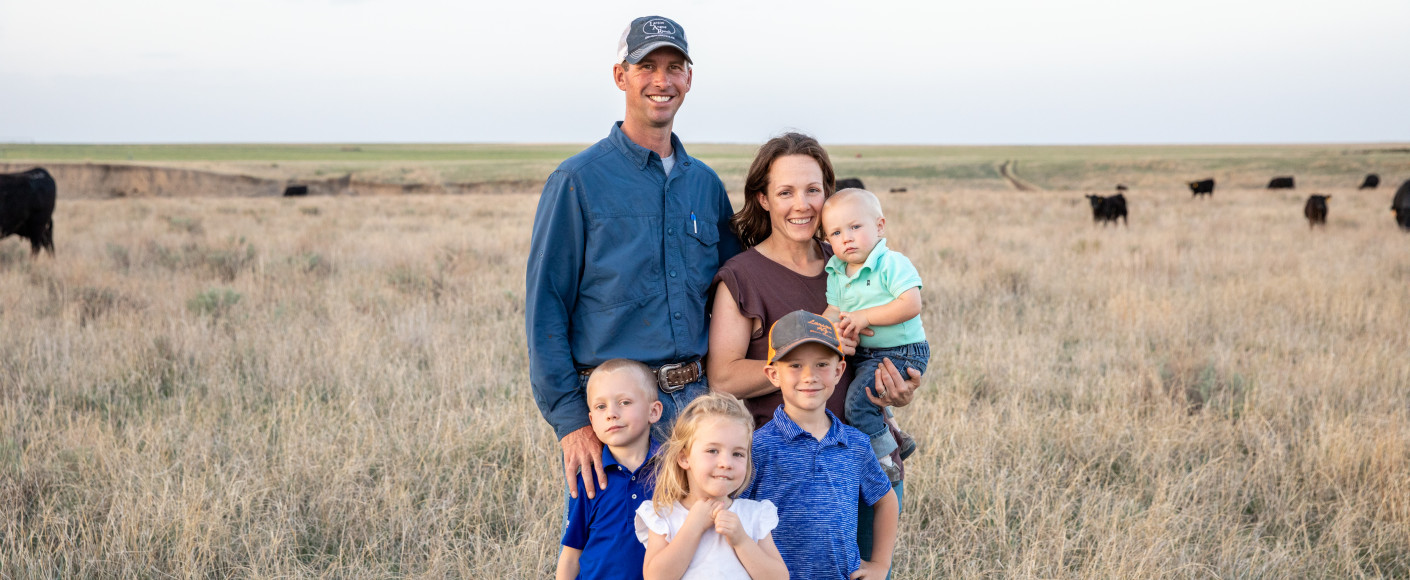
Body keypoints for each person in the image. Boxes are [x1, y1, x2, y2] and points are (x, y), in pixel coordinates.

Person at [527, 15, 742, 503]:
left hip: (696, 409)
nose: (662, 81)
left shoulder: (704, 185)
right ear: (621, 76)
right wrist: (571, 422)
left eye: (674, 67)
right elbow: (546, 308)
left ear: (689, 79)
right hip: (617, 415)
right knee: (614, 559)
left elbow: (741, 293)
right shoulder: (577, 181)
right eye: (647, 66)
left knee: (696, 558)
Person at [706, 132, 920, 568]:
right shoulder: (743, 276)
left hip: (863, 455)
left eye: (813, 190)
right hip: (789, 470)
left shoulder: (848, 259)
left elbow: (887, 337)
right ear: (763, 199)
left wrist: (900, 387)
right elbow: (723, 378)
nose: (801, 205)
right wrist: (806, 348)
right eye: (785, 192)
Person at [745, 310, 899, 579]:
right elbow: (736, 514)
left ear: (839, 370)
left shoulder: (855, 445)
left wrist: (880, 565)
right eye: (794, 365)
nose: (809, 376)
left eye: (821, 365)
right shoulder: (757, 448)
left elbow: (886, 501)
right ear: (773, 374)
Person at [820, 188, 928, 482]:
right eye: (836, 233)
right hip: (870, 353)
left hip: (901, 350)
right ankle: (896, 436)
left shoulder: (891, 263)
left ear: (879, 226)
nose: (847, 238)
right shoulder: (839, 271)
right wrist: (821, 328)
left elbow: (911, 303)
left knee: (858, 401)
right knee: (858, 383)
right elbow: (834, 309)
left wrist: (865, 317)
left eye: (855, 227)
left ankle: (885, 460)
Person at [634, 392, 787, 579]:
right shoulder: (664, 515)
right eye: (712, 450)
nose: (726, 463)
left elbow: (779, 577)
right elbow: (656, 577)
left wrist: (741, 541)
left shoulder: (754, 516)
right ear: (684, 458)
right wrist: (693, 527)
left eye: (738, 454)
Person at [557, 360, 663, 580]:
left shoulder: (673, 471)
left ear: (653, 411)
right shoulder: (588, 480)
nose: (611, 413)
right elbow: (570, 556)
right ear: (592, 420)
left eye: (624, 402)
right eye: (600, 406)